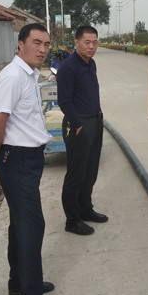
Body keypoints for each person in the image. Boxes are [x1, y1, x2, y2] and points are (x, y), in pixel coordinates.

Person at [0, 23, 67, 295]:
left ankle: (19, 281)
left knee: (20, 223)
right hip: (17, 160)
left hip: (27, 158)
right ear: (20, 44)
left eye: (46, 44)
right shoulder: (13, 76)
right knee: (32, 225)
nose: (42, 49)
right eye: (36, 43)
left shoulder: (29, 74)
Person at [57, 25, 107, 236]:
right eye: (87, 42)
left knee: (90, 171)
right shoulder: (68, 67)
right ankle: (72, 219)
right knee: (76, 174)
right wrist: (77, 124)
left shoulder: (91, 63)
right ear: (76, 42)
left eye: (95, 42)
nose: (91, 46)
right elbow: (64, 101)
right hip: (79, 124)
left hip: (95, 121)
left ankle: (86, 209)